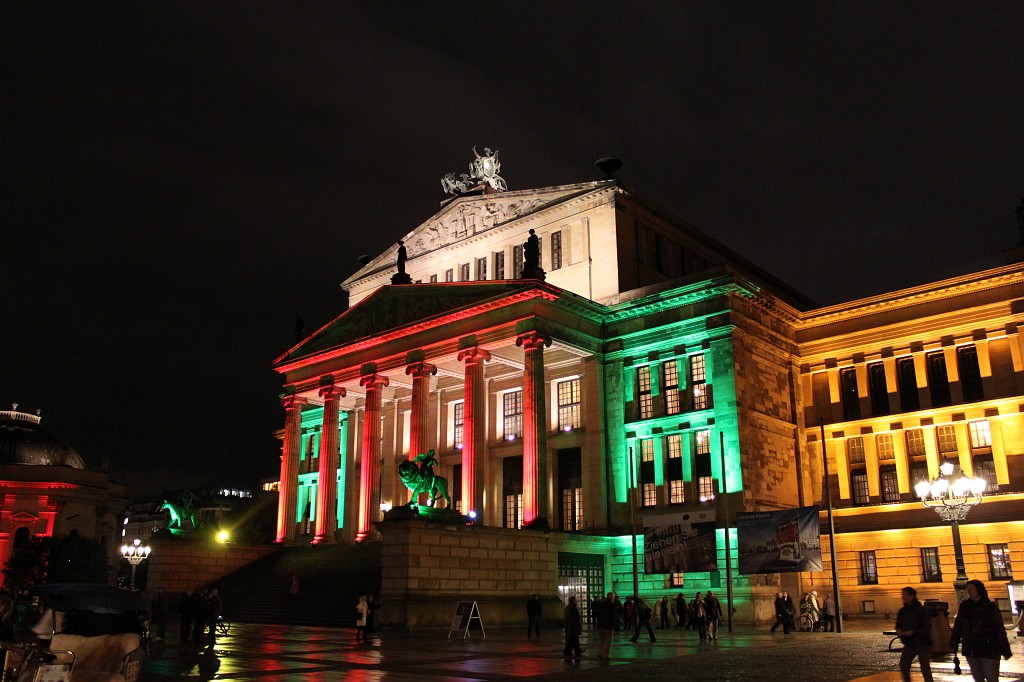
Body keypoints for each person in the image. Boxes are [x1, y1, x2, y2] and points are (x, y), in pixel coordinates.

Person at [950, 579, 1013, 682]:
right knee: (978, 677)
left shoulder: (989, 607)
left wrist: (1005, 649)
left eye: (972, 589)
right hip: (971, 648)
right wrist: (954, 643)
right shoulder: (965, 606)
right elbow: (958, 626)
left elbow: (999, 629)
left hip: (989, 647)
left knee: (991, 677)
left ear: (979, 590)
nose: (969, 591)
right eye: (968, 589)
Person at [895, 586, 933, 682]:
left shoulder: (920, 609)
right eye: (902, 595)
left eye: (905, 595)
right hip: (910, 642)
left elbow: (926, 626)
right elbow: (898, 623)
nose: (902, 597)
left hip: (922, 643)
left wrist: (913, 631)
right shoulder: (903, 611)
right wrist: (899, 630)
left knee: (924, 667)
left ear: (912, 596)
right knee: (904, 664)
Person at [595, 592, 617, 659]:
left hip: (600, 625)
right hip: (608, 626)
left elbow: (597, 613)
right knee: (608, 641)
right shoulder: (611, 605)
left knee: (602, 640)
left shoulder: (601, 604)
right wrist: (613, 625)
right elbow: (613, 616)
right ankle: (605, 655)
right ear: (612, 598)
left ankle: (600, 652)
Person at [563, 595, 583, 660]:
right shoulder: (573, 608)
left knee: (571, 640)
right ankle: (576, 652)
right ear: (573, 601)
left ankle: (569, 651)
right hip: (573, 627)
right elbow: (576, 618)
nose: (577, 601)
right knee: (575, 640)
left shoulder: (568, 608)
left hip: (570, 627)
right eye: (576, 600)